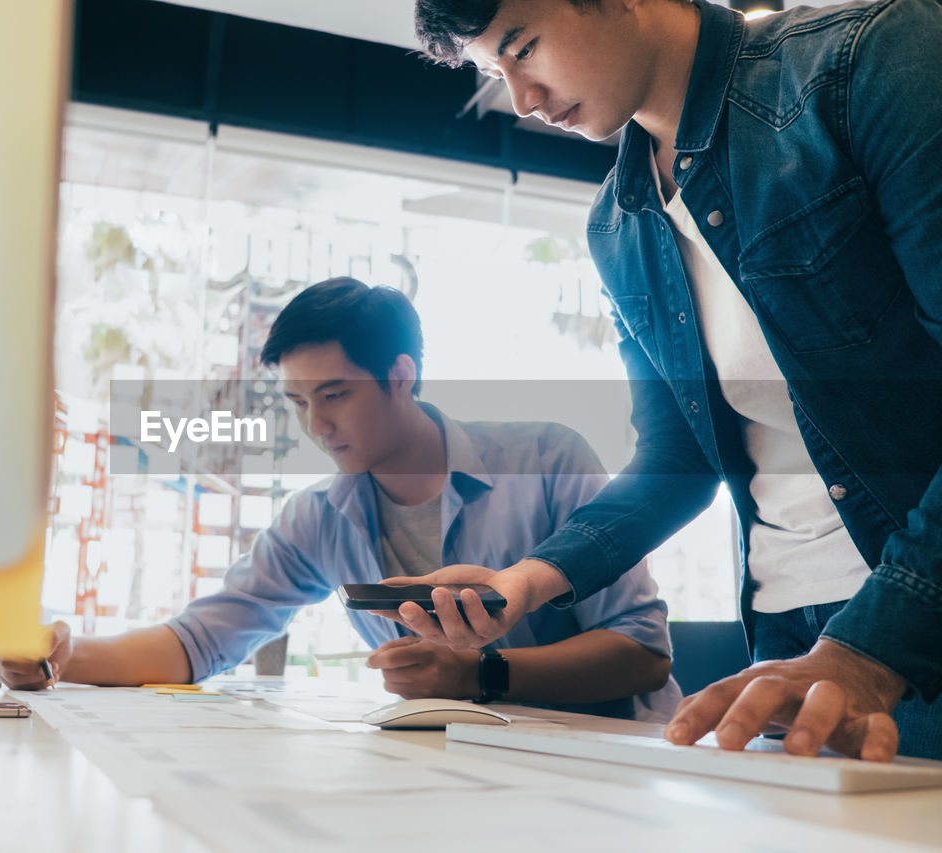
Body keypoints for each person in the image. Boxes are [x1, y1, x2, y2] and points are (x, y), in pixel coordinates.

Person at [402, 0, 942, 759]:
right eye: (497, 72)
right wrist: (523, 581)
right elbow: (679, 458)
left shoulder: (866, 62)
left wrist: (871, 647)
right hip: (788, 635)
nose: (523, 99)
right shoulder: (617, 226)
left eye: (523, 48)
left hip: (910, 625)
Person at [0, 277, 680, 720]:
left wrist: (478, 672)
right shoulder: (319, 517)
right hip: (454, 772)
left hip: (606, 759)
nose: (315, 425)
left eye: (334, 395)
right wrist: (60, 652)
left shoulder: (548, 457)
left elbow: (643, 649)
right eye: (297, 402)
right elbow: (200, 639)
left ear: (401, 375)